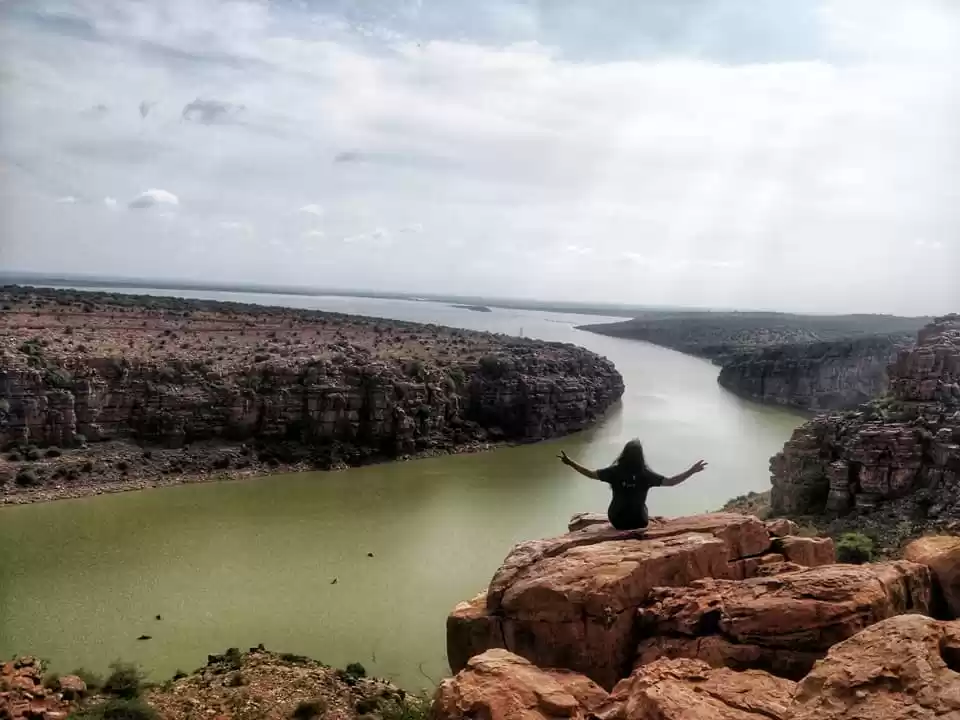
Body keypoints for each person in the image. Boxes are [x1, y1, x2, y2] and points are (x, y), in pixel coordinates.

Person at [558, 439, 707, 531]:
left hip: (617, 521)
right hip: (639, 522)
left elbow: (590, 474)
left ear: (624, 454)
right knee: (642, 507)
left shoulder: (614, 471)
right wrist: (692, 471)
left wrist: (570, 463)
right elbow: (671, 482)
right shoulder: (646, 474)